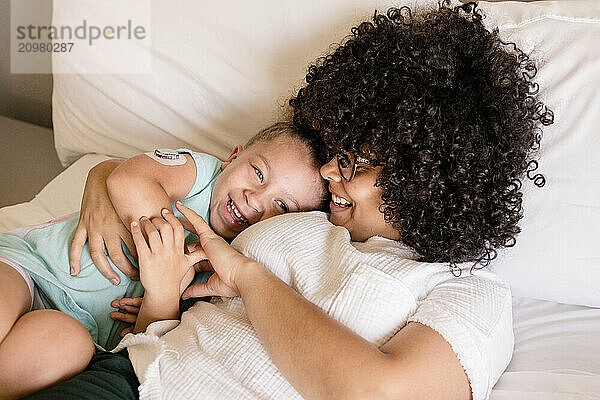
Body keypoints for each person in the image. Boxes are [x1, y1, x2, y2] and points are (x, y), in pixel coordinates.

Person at [27, 3, 553, 400]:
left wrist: (249, 278)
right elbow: (181, 186)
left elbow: (379, 394)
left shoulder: (468, 294)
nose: (328, 172)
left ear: (421, 181)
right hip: (128, 375)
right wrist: (100, 176)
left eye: (353, 162)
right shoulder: (312, 208)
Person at [0, 122, 328, 399]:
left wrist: (163, 291)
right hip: (34, 268)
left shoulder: (233, 264)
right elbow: (126, 179)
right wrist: (170, 251)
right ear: (232, 157)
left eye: (282, 206)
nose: (255, 200)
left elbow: (144, 341)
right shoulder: (199, 173)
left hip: (87, 335)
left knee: (63, 344)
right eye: (257, 172)